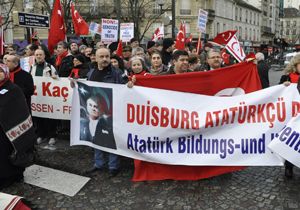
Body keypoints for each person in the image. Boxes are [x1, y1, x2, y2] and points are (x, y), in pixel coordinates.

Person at [84, 48, 125, 177]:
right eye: (101, 56)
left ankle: (113, 166)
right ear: (95, 58)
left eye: (107, 56)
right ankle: (99, 164)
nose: (105, 59)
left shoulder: (117, 73)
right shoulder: (91, 73)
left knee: (111, 139)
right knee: (96, 138)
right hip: (96, 112)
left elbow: (124, 90)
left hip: (112, 112)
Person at [0, 64, 36, 189]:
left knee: (10, 153)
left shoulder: (13, 89)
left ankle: (12, 176)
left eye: (0, 71)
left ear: (5, 73)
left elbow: (19, 110)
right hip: (1, 130)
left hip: (11, 130)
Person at [30, 49, 58, 146]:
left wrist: (55, 78)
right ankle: (41, 135)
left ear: (44, 56)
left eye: (40, 54)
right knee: (38, 117)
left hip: (48, 97)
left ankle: (52, 136)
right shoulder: (32, 67)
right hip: (37, 97)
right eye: (36, 54)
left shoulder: (50, 67)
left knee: (50, 118)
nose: (38, 56)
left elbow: (58, 81)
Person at [279, 54, 300, 178]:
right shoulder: (286, 77)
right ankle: (289, 166)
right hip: (291, 117)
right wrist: (283, 86)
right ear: (295, 65)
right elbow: (277, 93)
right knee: (291, 141)